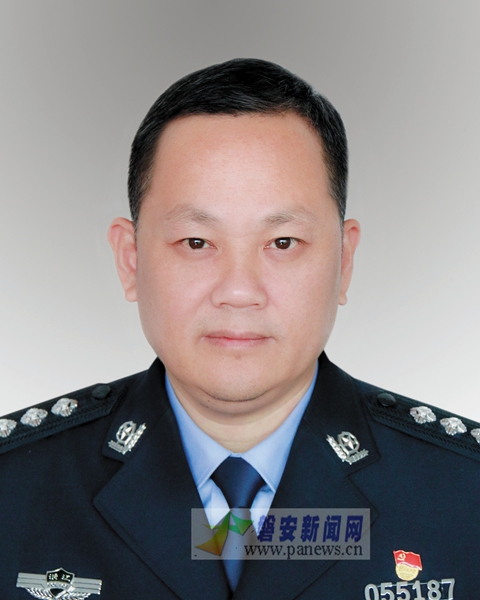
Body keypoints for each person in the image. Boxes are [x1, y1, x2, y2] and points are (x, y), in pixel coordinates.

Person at [1, 58, 479, 600]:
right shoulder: (14, 489)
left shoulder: (466, 492)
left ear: (344, 262)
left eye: (282, 243)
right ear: (130, 259)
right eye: (196, 242)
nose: (238, 290)